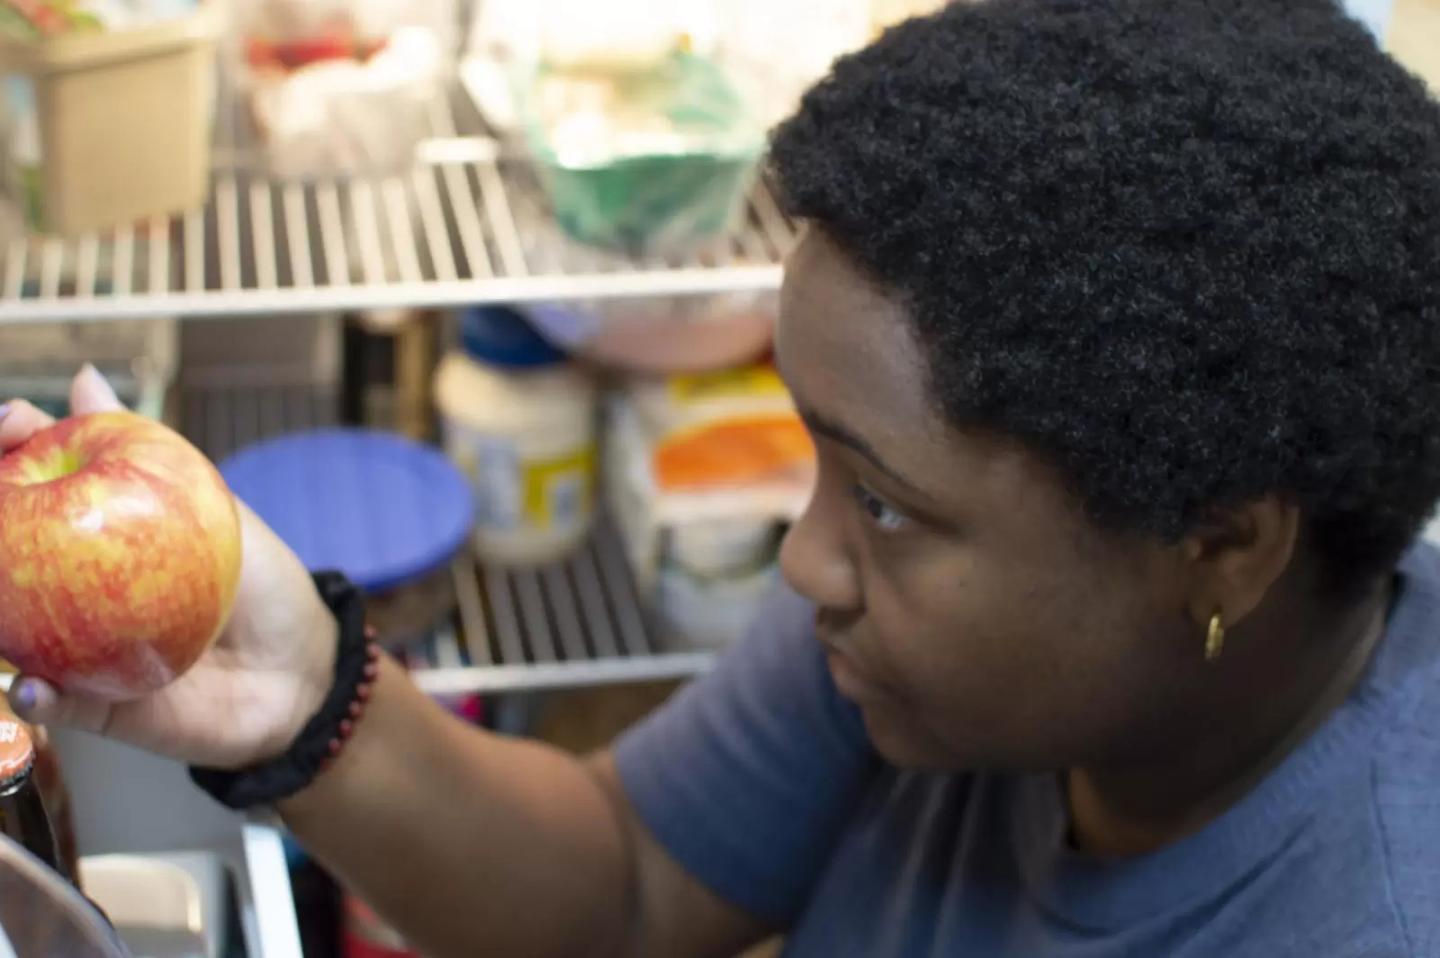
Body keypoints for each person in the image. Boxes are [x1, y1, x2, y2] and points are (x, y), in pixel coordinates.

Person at [5, 0, 1440, 954]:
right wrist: (300, 689)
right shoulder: (924, 651)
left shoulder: (1367, 910)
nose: (803, 561)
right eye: (816, 458)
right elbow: (629, 878)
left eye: (880, 499)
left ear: (1227, 545)